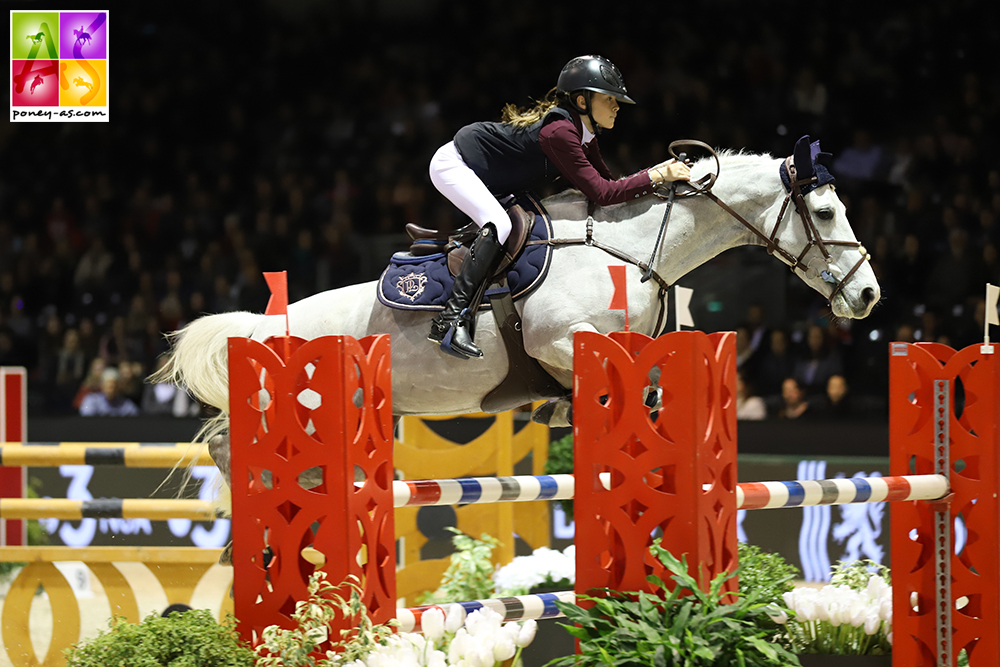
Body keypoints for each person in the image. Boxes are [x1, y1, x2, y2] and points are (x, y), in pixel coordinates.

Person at [426, 55, 690, 359]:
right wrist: (655, 174)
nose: (617, 106)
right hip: (456, 163)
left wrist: (657, 181)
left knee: (508, 223)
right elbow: (604, 193)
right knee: (501, 225)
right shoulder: (561, 133)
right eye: (610, 99)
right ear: (582, 100)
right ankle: (450, 320)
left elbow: (607, 185)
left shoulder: (583, 134)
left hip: (489, 176)